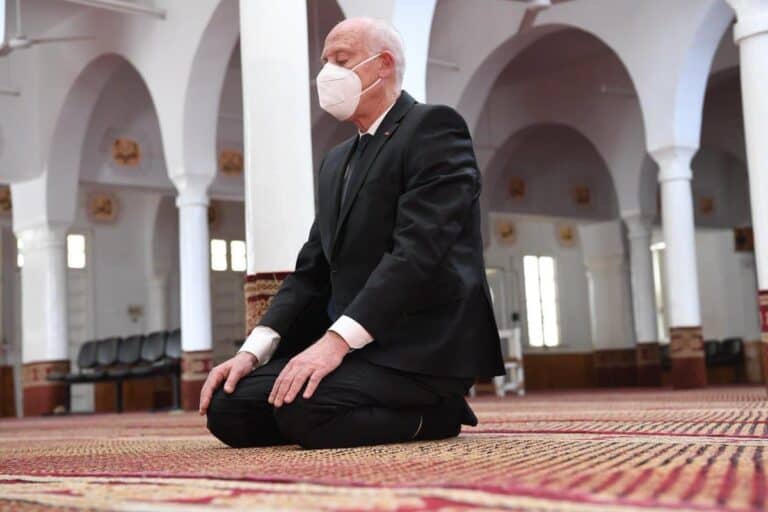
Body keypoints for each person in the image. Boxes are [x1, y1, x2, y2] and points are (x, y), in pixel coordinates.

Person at [200, 17, 504, 450]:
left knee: (302, 410)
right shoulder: (337, 160)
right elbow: (312, 270)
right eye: (325, 62)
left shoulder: (432, 128)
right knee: (229, 408)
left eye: (341, 60)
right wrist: (252, 352)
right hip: (355, 349)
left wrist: (334, 343)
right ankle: (336, 408)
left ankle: (438, 415)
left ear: (383, 64)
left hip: (419, 348)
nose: (327, 73)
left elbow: (416, 254)